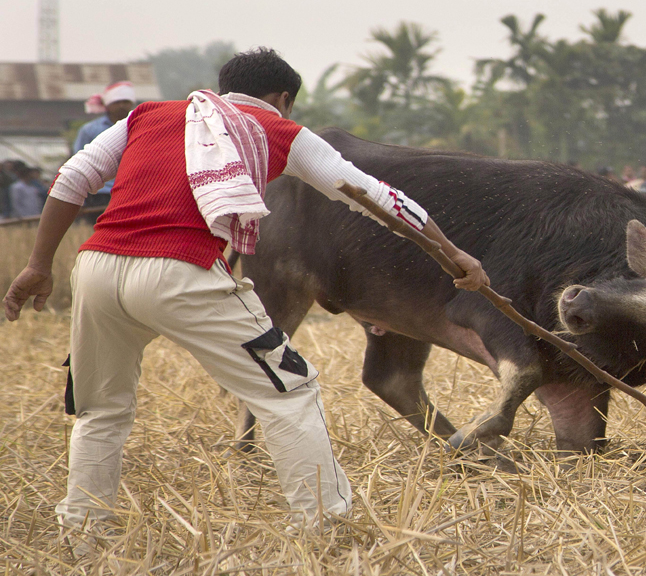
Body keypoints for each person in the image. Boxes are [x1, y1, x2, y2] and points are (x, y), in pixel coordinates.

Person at [2, 48, 489, 547]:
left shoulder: (148, 115)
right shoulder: (278, 130)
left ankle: (82, 534)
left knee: (100, 410)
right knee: (290, 391)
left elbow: (72, 178)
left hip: (97, 268)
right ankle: (325, 530)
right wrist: (453, 255)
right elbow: (373, 196)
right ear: (283, 99)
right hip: (180, 268)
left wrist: (39, 265)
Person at [74, 82, 137, 221]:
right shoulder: (89, 130)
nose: (121, 105)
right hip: (100, 193)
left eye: (125, 101)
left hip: (132, 190)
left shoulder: (140, 126)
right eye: (117, 102)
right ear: (107, 105)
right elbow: (78, 162)